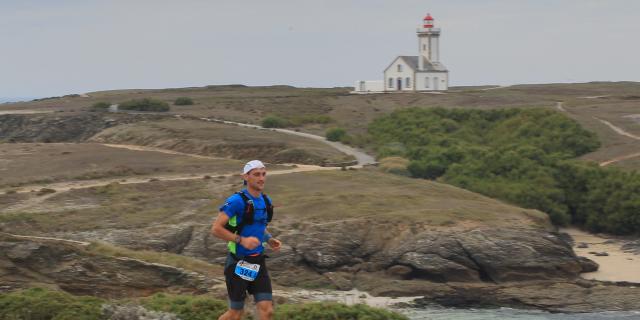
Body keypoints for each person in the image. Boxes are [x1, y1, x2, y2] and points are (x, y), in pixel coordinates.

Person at [211, 160, 282, 320]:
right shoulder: (236, 201)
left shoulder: (266, 201)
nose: (261, 178)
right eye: (257, 174)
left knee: (267, 310)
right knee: (235, 314)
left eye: (264, 174)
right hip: (238, 263)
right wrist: (241, 240)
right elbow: (216, 228)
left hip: (258, 262)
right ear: (246, 177)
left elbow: (258, 226)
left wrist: (269, 239)